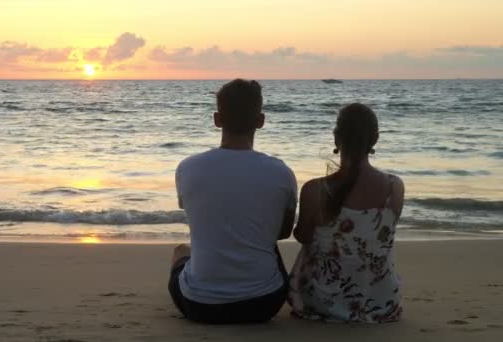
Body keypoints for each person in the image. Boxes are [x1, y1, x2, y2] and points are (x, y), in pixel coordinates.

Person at [168, 79, 298, 324]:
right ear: (260, 121)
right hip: (264, 304)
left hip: (199, 306)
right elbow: (282, 233)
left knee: (181, 251)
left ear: (217, 119)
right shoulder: (282, 173)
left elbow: (201, 219)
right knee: (264, 243)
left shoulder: (187, 168)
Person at [288, 103, 405, 323]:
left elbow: (302, 236)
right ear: (375, 139)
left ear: (336, 138)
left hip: (323, 301)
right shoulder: (394, 187)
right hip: (381, 300)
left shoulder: (315, 190)